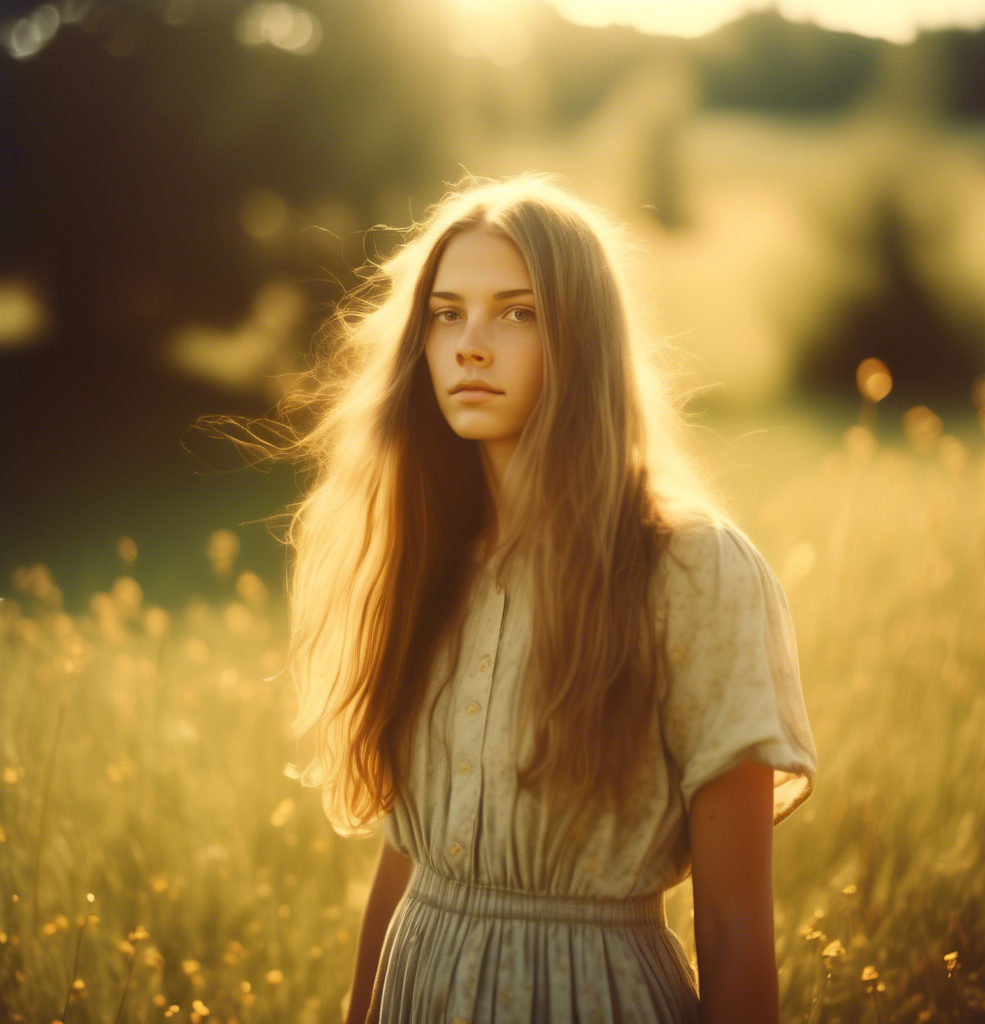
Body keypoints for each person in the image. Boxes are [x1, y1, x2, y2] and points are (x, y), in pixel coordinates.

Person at [278, 172, 818, 1023]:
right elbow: (408, 859)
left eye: (517, 312)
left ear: (583, 340)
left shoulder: (693, 570)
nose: (471, 345)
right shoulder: (429, 557)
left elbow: (734, 920)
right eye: (446, 313)